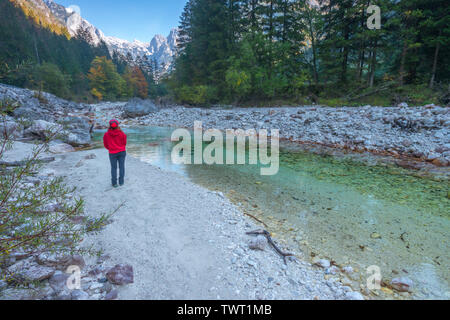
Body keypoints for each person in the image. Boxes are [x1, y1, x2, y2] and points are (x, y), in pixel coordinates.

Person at [103, 119, 127, 188]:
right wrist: (120, 147)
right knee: (121, 167)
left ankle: (114, 183)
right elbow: (124, 143)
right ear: (117, 125)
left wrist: (111, 148)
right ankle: (121, 182)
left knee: (113, 168)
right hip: (122, 152)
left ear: (110, 125)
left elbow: (105, 145)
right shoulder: (122, 134)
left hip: (112, 153)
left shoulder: (106, 134)